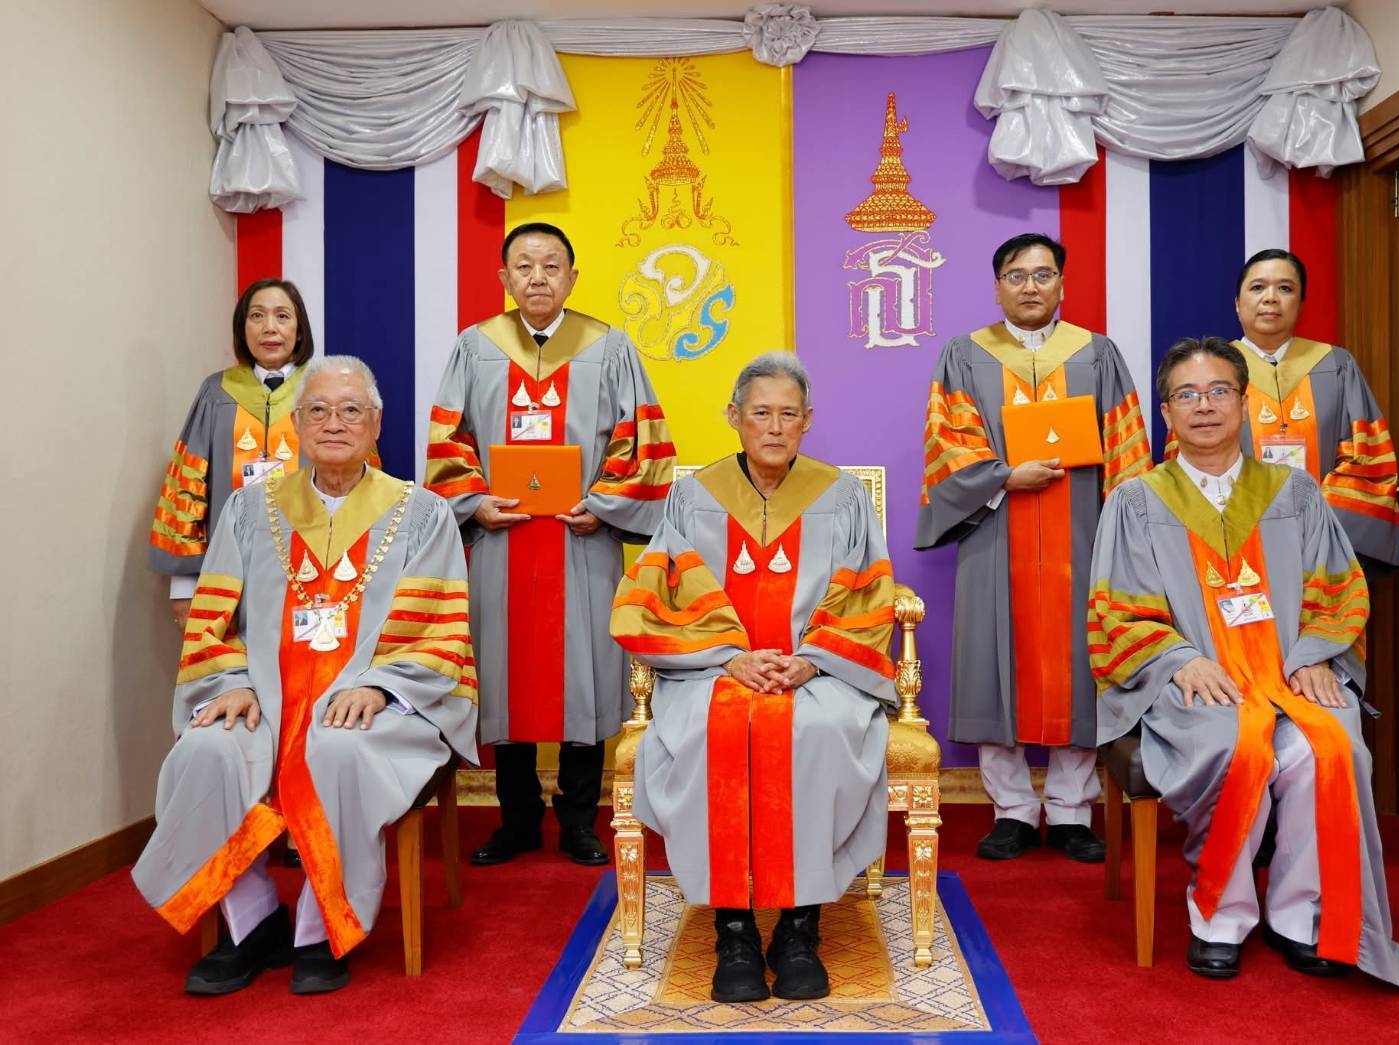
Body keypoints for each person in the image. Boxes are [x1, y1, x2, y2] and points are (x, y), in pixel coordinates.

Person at [133, 356, 478, 995]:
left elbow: (437, 630)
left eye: (350, 410)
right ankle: (253, 920)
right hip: (263, 698)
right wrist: (230, 683)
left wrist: (380, 686)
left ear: (376, 424)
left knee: (339, 749)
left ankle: (322, 926)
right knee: (209, 750)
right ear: (296, 424)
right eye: (317, 410)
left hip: (377, 702)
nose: (333, 423)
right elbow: (213, 617)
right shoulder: (249, 509)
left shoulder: (422, 513)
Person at [1089, 337, 1399, 987]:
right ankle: (1220, 913)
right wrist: (1177, 657)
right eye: (1187, 395)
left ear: (1244, 404)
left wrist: (1317, 654)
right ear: (1166, 413)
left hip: (1288, 672)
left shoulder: (1294, 492)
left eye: (1219, 391)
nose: (1204, 406)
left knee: (1330, 745)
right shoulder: (1137, 501)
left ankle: (1300, 914)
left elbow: (1338, 587)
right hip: (1193, 680)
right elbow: (1116, 608)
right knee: (1237, 744)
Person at [611, 353, 895, 1003]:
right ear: (733, 417)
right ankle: (733, 929)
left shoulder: (842, 496)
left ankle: (798, 927)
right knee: (707, 732)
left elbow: (868, 594)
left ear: (807, 420)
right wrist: (727, 656)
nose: (774, 426)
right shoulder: (694, 496)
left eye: (788, 414)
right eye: (760, 412)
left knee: (819, 731)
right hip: (713, 668)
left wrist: (811, 658)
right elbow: (660, 594)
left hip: (819, 669)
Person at [426, 221, 675, 867]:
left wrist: (603, 504)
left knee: (583, 673)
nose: (537, 277)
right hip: (500, 542)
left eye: (550, 265)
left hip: (580, 538)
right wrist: (474, 501)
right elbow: (450, 440)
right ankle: (516, 819)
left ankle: (578, 819)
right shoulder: (475, 346)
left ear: (571, 276)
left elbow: (641, 440)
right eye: (524, 265)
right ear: (504, 277)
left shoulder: (609, 347)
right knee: (503, 673)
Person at [916, 232, 1152, 862]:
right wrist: (1002, 478)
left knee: (1081, 662)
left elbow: (1127, 446)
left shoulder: (1097, 354)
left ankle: (1072, 811)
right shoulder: (964, 355)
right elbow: (948, 442)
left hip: (1084, 533)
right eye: (1016, 276)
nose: (1030, 287)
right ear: (997, 287)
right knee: (994, 662)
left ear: (1062, 284)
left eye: (1043, 275)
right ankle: (1013, 810)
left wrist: (1127, 535)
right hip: (996, 531)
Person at [151, 279, 316, 633]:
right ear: (243, 328)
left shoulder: (323, 391)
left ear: (299, 330)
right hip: (227, 574)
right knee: (232, 662)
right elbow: (188, 490)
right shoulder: (216, 393)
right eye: (257, 316)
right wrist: (183, 586)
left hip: (314, 572)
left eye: (282, 316)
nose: (269, 327)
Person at [1230, 249, 1399, 568]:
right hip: (1238, 539)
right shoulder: (1214, 370)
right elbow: (1191, 459)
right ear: (1238, 304)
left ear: (1301, 303)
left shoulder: (1336, 365)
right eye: (1257, 287)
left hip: (1324, 539)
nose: (1271, 298)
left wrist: (1316, 520)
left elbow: (1366, 459)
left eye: (1285, 288)